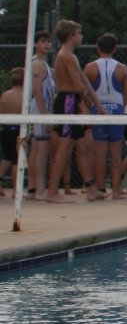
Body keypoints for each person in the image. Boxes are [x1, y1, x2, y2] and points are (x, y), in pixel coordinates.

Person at [45, 21, 101, 203]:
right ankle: (52, 191)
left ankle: (91, 189)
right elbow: (78, 86)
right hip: (68, 101)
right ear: (70, 35)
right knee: (65, 147)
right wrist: (87, 106)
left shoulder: (70, 56)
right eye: (79, 33)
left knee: (82, 147)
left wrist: (98, 107)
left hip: (72, 100)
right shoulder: (65, 56)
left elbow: (85, 83)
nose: (81, 36)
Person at [84, 33, 127, 200]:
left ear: (98, 48)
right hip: (116, 110)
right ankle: (116, 191)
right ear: (115, 48)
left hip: (99, 110)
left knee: (100, 154)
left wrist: (92, 106)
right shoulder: (122, 68)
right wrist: (119, 106)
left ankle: (100, 189)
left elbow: (84, 91)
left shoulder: (90, 67)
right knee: (116, 153)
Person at [25, 32, 55, 200]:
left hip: (43, 107)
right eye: (43, 41)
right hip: (40, 108)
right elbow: (37, 91)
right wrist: (44, 115)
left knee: (37, 147)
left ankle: (32, 188)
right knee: (41, 150)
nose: (47, 44)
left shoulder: (44, 64)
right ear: (36, 44)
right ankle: (40, 189)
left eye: (49, 41)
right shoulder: (36, 64)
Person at [1, 68, 24, 197]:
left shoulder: (5, 95)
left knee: (7, 158)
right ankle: (16, 190)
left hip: (6, 129)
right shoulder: (24, 95)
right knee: (16, 160)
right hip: (17, 130)